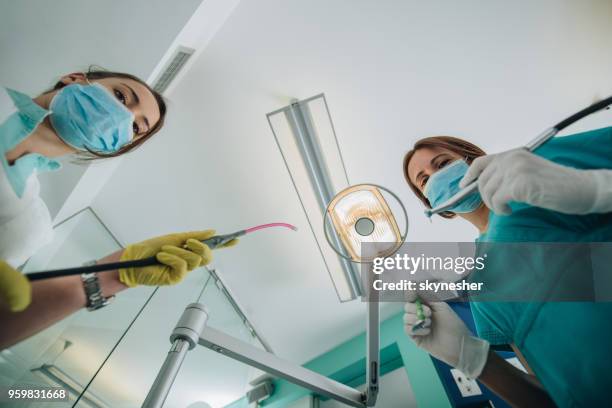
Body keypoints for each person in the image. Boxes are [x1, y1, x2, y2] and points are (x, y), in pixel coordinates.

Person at [0, 68, 236, 347]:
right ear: (74, 79)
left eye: (136, 128)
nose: (124, 117)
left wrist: (115, 274)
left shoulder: (27, 226)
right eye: (122, 96)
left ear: (115, 147)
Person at [401, 127, 612, 407]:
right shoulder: (481, 290)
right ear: (434, 205)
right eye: (424, 180)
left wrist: (597, 189)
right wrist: (474, 359)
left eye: (443, 164)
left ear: (471, 159)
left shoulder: (539, 168)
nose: (436, 178)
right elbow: (549, 399)